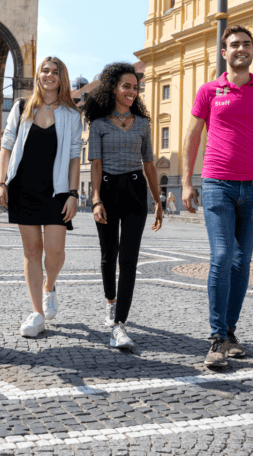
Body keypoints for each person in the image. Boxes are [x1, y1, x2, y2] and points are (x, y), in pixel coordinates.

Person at [182, 25, 253, 368]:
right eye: (234, 45)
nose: (241, 49)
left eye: (246, 44)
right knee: (223, 255)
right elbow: (192, 135)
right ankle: (216, 338)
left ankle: (229, 332)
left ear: (252, 51)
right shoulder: (210, 90)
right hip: (218, 185)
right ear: (224, 52)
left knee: (242, 262)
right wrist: (187, 181)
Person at [0, 56, 82, 338]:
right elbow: (6, 146)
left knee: (55, 251)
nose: (49, 75)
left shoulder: (71, 114)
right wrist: (0, 182)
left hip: (56, 191)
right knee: (32, 251)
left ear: (62, 78)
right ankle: (37, 313)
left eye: (55, 72)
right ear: (38, 75)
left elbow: (73, 157)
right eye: (45, 70)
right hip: (23, 188)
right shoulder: (22, 107)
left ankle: (50, 286)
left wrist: (73, 194)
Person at [84, 62, 163, 350]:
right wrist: (95, 199)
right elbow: (95, 164)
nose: (132, 91)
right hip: (106, 190)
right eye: (126, 86)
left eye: (135, 87)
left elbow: (149, 164)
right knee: (109, 255)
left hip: (134, 191)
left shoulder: (143, 124)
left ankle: (119, 324)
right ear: (113, 88)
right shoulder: (99, 124)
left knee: (128, 259)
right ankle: (110, 301)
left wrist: (157, 200)